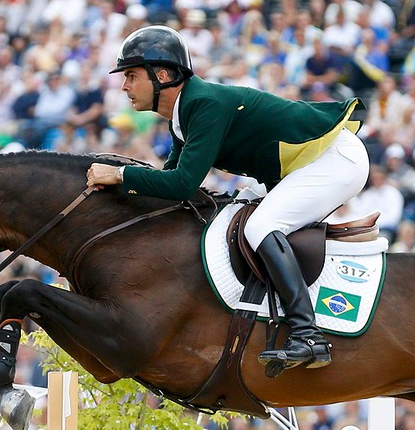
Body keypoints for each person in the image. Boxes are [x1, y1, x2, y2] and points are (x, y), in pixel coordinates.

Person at [86, 25, 370, 376]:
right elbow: (167, 184)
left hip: (335, 159)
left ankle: (307, 334)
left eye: (130, 75)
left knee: (262, 224)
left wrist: (118, 175)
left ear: (162, 75)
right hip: (314, 164)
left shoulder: (203, 104)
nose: (124, 86)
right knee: (246, 213)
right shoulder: (185, 115)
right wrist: (116, 190)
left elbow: (181, 185)